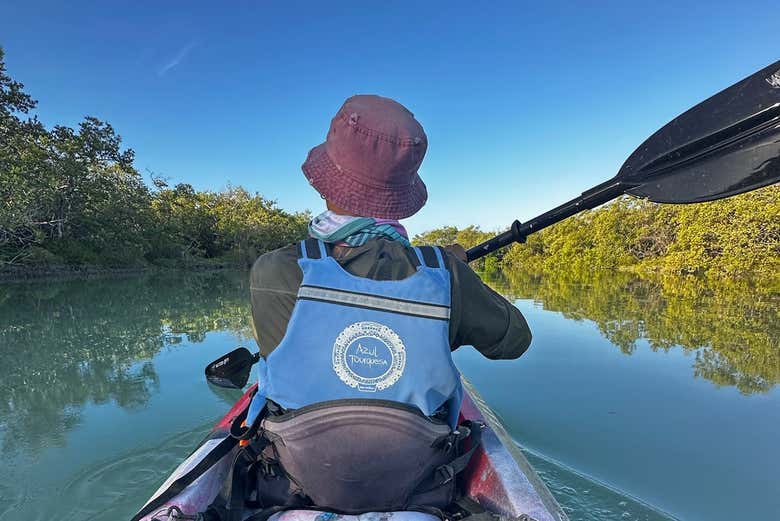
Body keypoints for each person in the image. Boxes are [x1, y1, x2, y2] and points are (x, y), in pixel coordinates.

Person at [227, 95, 532, 519]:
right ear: (401, 193)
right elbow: (515, 341)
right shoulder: (445, 275)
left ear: (325, 181)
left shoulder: (274, 269)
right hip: (418, 487)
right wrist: (454, 278)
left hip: (295, 485)